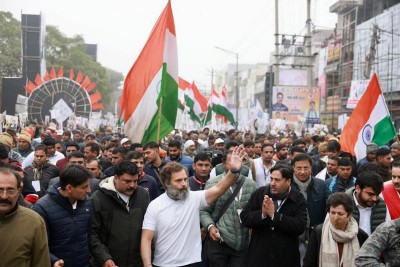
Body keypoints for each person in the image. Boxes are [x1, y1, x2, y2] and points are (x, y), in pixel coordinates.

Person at [141, 146, 246, 267]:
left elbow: (218, 189)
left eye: (185, 179)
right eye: (178, 180)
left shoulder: (194, 198)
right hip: (164, 263)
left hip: (193, 262)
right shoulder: (155, 206)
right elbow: (146, 239)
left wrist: (233, 171)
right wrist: (147, 265)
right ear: (166, 183)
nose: (184, 184)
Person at [240, 164, 308, 267]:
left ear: (288, 181)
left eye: (277, 180)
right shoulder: (260, 193)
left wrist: (274, 216)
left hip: (286, 257)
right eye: (271, 179)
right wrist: (262, 214)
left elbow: (300, 226)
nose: (272, 183)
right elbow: (244, 217)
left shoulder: (297, 198)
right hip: (259, 256)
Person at [200, 153, 257, 267]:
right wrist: (210, 226)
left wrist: (253, 224)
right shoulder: (213, 183)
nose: (235, 166)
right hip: (219, 240)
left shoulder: (251, 184)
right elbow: (204, 211)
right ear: (223, 165)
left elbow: (255, 211)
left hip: (242, 242)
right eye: (231, 162)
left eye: (238, 162)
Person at [90, 161, 150, 267]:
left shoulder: (143, 195)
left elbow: (149, 229)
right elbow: (91, 233)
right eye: (127, 181)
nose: (132, 185)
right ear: (116, 178)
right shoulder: (98, 198)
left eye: (135, 181)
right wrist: (104, 258)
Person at [33, 165, 93, 267]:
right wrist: (53, 261)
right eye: (84, 187)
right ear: (69, 188)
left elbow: (89, 236)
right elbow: (39, 245)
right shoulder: (43, 207)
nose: (89, 190)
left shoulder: (87, 203)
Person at [0, 167, 51, 267]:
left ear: (19, 192)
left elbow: (41, 262)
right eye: (0, 190)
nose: (4, 196)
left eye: (10, 190)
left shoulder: (34, 221)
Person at [303, 192, 368, 267]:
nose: (335, 217)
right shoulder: (318, 232)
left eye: (340, 214)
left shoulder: (359, 235)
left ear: (349, 215)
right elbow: (309, 262)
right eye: (332, 213)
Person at [346, 171, 390, 235]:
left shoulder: (382, 206)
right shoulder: (342, 204)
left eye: (377, 195)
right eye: (370, 194)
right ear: (357, 188)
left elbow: (387, 232)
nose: (375, 199)